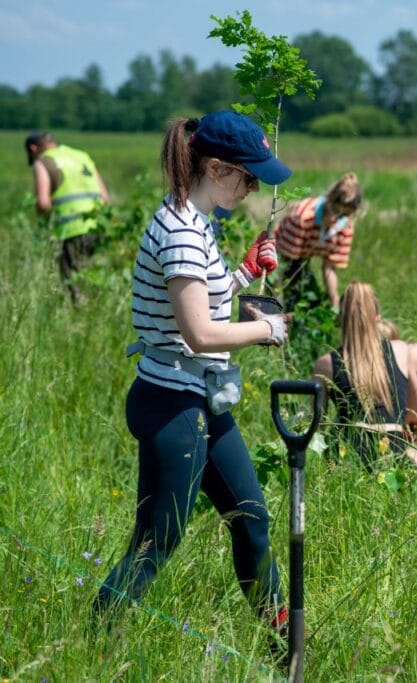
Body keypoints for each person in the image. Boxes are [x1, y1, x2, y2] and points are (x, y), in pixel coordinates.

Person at [95, 111, 294, 653]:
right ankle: (97, 640)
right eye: (248, 177)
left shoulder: (195, 221)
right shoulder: (183, 230)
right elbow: (200, 333)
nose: (252, 189)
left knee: (251, 519)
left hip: (198, 398)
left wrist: (244, 273)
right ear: (216, 167)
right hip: (172, 404)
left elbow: (203, 295)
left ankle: (286, 650)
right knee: (157, 540)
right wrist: (266, 329)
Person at [313, 282, 417, 473]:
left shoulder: (325, 364)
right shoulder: (401, 350)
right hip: (396, 450)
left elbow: (318, 425)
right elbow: (416, 410)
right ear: (377, 318)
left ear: (340, 319)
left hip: (349, 454)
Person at [25, 131, 110, 304]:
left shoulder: (43, 162)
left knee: (75, 286)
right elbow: (105, 198)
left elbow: (43, 203)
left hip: (70, 230)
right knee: (94, 278)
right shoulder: (82, 156)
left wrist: (43, 220)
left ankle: (84, 314)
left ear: (33, 149)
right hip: (97, 227)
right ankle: (97, 309)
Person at [272, 173, 362, 312]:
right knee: (289, 302)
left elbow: (329, 267)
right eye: (335, 210)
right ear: (329, 201)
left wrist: (335, 304)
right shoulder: (302, 218)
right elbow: (283, 263)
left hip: (302, 257)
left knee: (313, 303)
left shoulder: (345, 227)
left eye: (343, 215)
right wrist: (277, 300)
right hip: (280, 255)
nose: (336, 219)